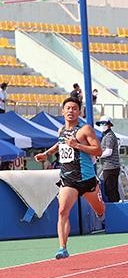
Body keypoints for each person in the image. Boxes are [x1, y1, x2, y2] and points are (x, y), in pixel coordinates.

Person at [33, 97, 104, 260]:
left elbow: (98, 151)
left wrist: (77, 145)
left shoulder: (85, 129)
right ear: (63, 111)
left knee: (99, 209)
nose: (71, 111)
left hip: (86, 179)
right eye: (68, 108)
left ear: (79, 112)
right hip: (68, 179)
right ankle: (62, 248)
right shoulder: (61, 131)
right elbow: (60, 144)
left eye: (74, 108)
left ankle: (100, 212)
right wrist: (47, 154)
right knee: (62, 211)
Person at [97, 118, 122, 203]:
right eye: (101, 124)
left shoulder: (109, 136)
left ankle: (115, 207)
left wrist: (98, 155)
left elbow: (108, 151)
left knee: (110, 190)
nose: (102, 126)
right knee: (113, 189)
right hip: (111, 166)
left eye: (104, 124)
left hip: (110, 167)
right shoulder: (107, 136)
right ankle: (117, 204)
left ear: (109, 125)